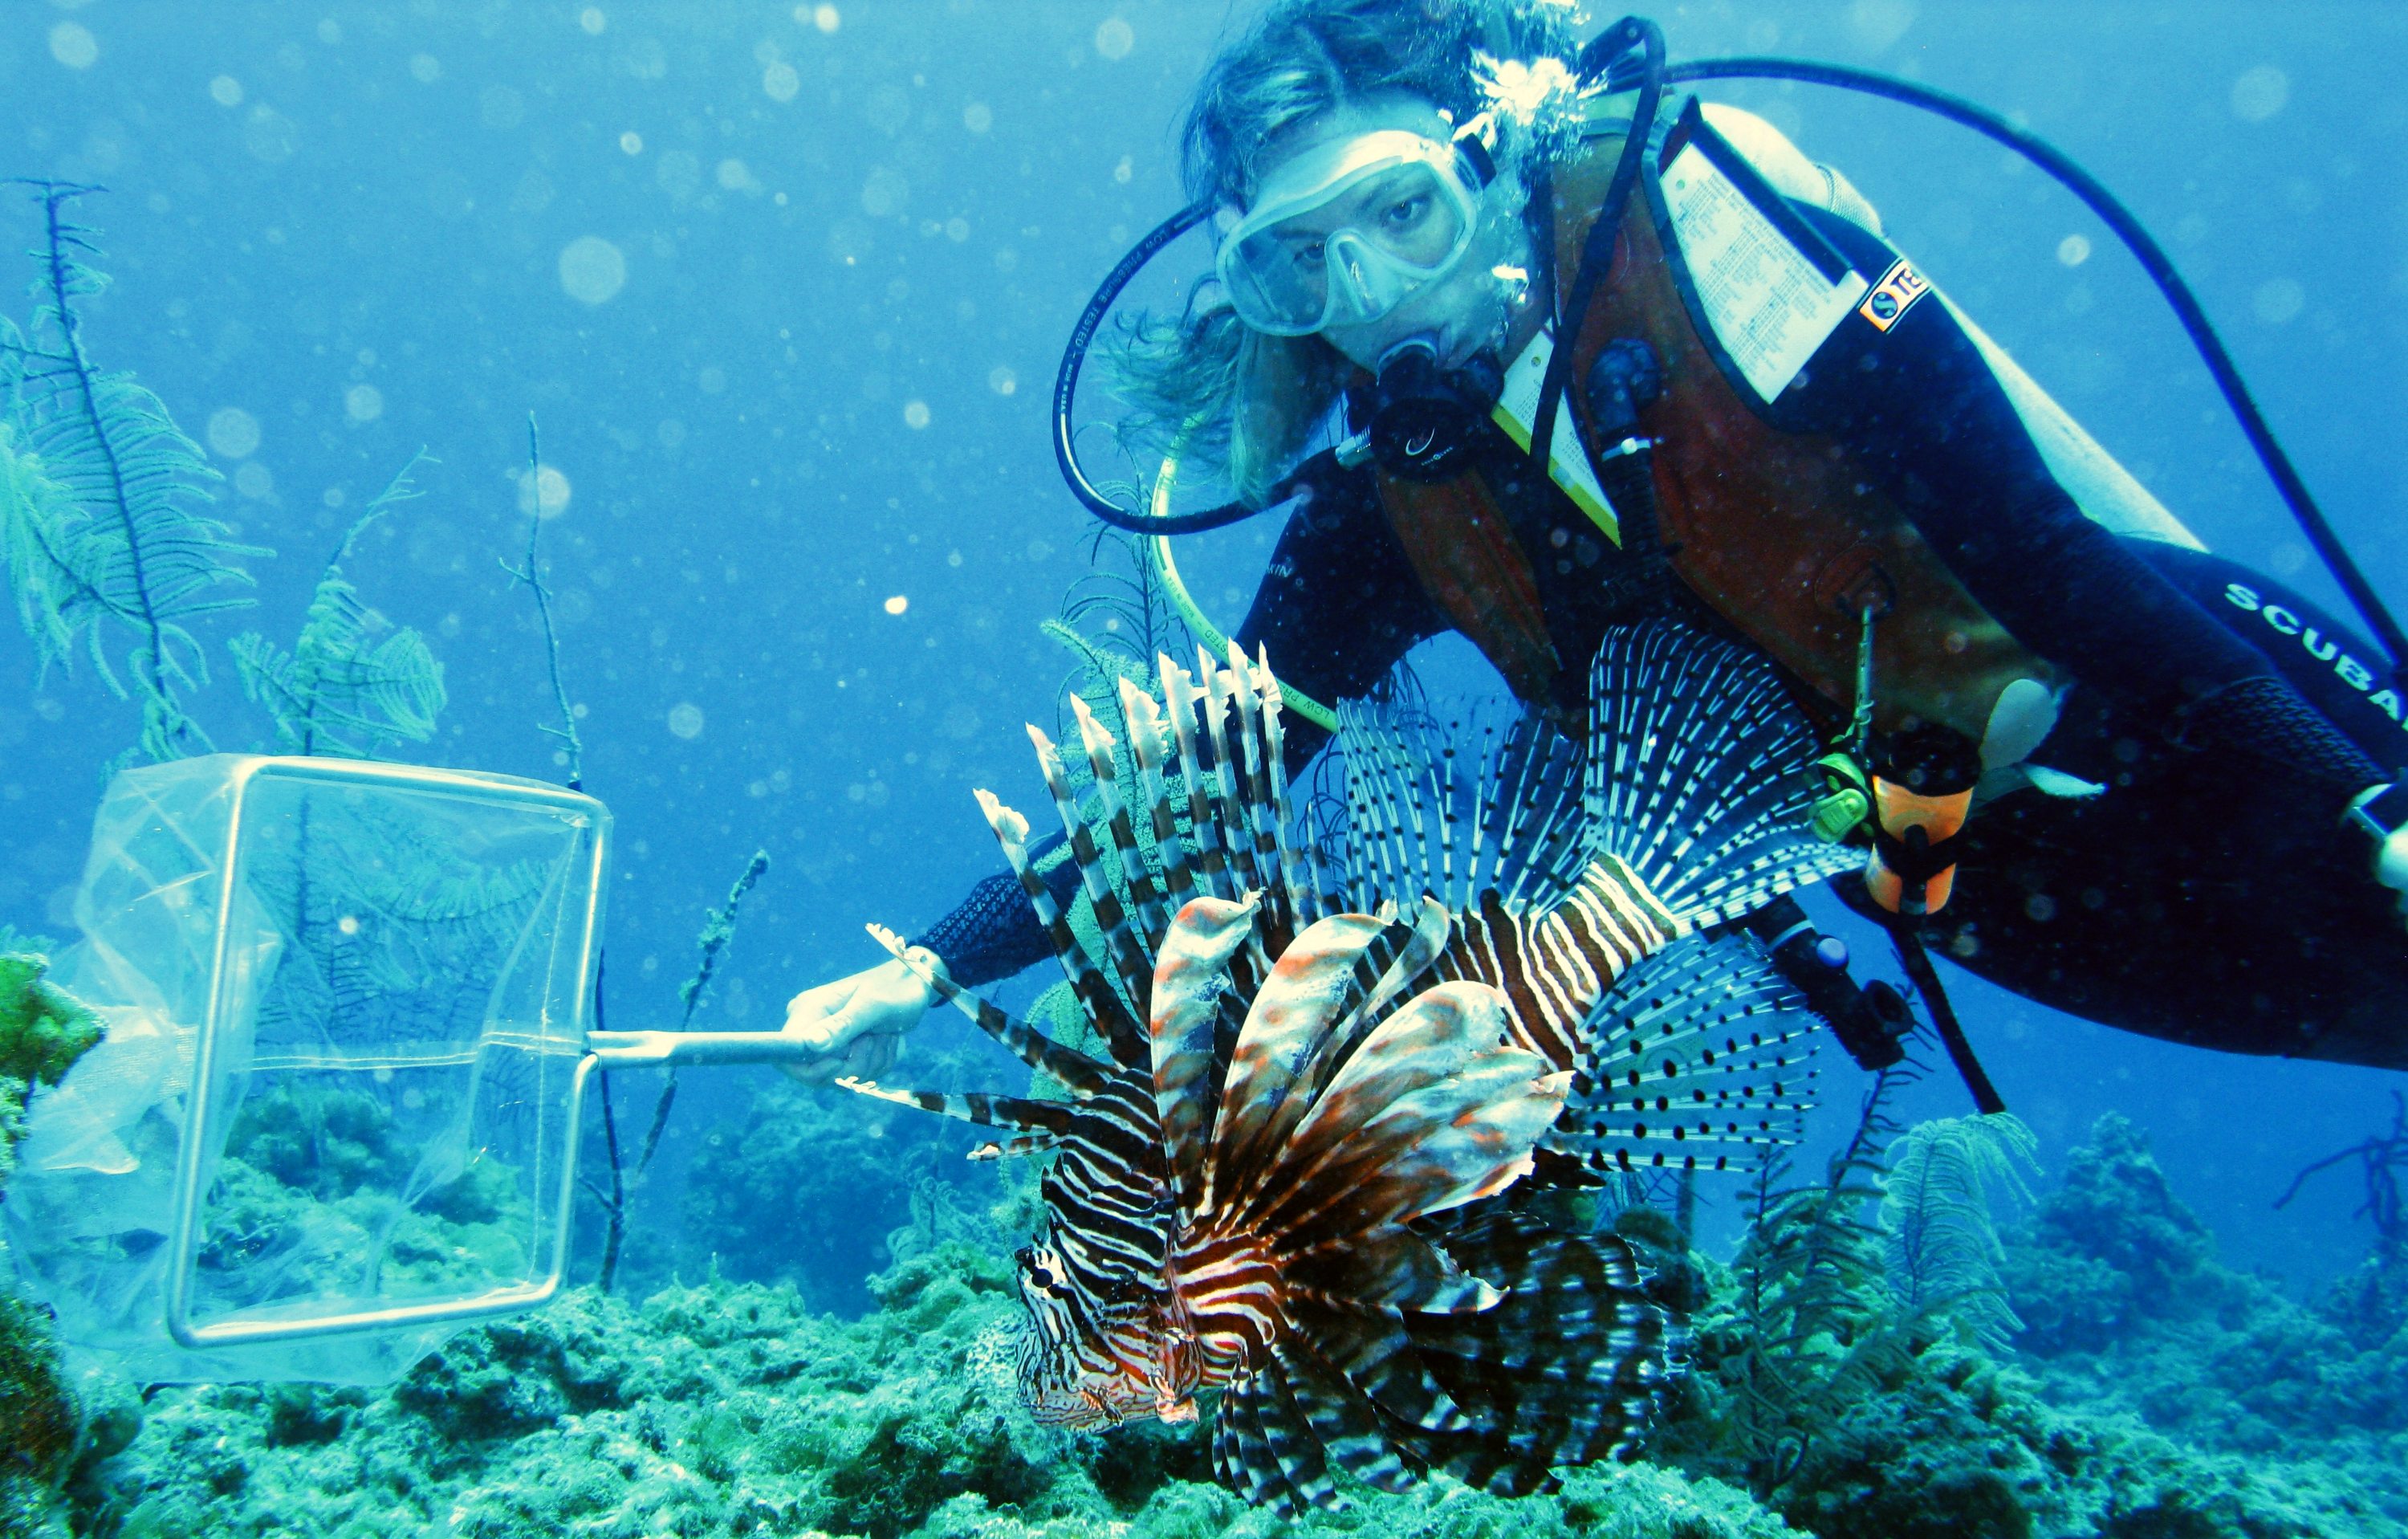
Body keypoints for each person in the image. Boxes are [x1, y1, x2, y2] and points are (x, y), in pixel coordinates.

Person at [784, 0, 2408, 1083]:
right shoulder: (1390, 511)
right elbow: (1210, 772)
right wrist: (933, 965)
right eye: (1302, 269)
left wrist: (2359, 792)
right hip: (1986, 889)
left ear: (1490, 168)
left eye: (1401, 212)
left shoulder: (1711, 250)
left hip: (2199, 710)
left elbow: (2056, 562)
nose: (1374, 295)